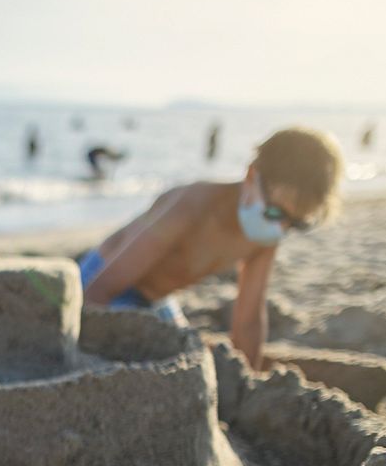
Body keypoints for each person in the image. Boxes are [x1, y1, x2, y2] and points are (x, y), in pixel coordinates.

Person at [76, 127, 344, 370]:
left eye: (296, 223)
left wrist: (245, 379)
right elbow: (101, 289)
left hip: (155, 299)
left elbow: (248, 320)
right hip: (99, 279)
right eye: (276, 212)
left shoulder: (266, 233)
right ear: (251, 175)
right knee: (165, 355)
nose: (281, 228)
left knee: (190, 355)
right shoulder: (193, 205)